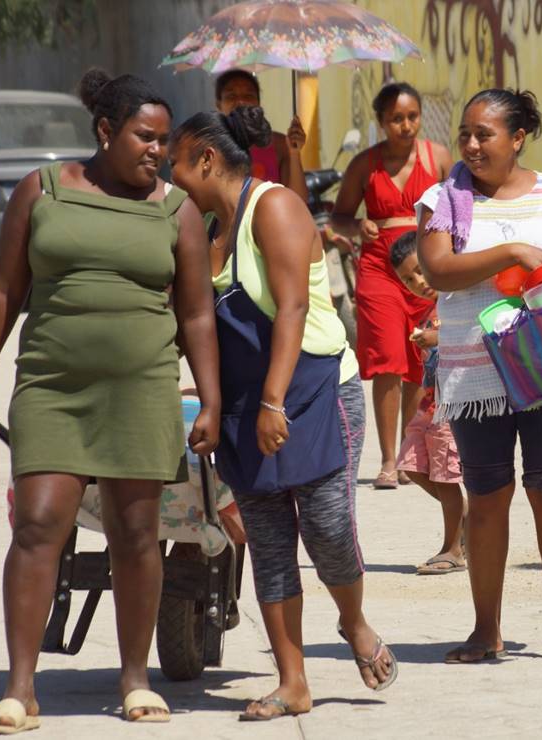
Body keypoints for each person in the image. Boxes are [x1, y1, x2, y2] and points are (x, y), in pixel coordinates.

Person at [0, 68, 221, 732]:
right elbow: (3, 288)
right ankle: (20, 688)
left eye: (163, 141)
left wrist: (212, 402)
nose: (156, 152)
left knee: (137, 534)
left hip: (140, 390)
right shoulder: (41, 192)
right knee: (38, 524)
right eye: (144, 137)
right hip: (52, 385)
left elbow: (196, 315)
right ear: (106, 132)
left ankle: (135, 679)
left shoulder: (177, 211)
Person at [169, 106, 396, 721]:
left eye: (176, 165)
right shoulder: (203, 233)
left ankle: (352, 622)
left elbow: (292, 308)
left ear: (207, 159)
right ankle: (292, 680)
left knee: (326, 530)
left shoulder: (272, 207)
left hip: (315, 392)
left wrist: (273, 401)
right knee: (268, 544)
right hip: (246, 409)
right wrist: (215, 407)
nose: (170, 179)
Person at [417, 89, 542, 665]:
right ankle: (486, 631)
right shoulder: (443, 198)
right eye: (467, 134)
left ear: (518, 137)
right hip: (475, 377)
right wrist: (510, 252)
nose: (473, 145)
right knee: (486, 498)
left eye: (486, 134)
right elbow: (439, 269)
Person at [332, 81, 454, 489]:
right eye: (396, 119)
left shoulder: (437, 158)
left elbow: (460, 208)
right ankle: (387, 460)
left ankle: (408, 454)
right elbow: (339, 216)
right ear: (381, 122)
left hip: (427, 270)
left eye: (412, 117)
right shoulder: (365, 164)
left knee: (420, 361)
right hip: (380, 269)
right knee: (387, 360)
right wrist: (357, 224)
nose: (406, 125)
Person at [388, 231, 467, 575]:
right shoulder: (432, 309)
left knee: (446, 478)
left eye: (420, 270)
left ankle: (453, 549)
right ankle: (467, 518)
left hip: (451, 405)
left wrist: (438, 338)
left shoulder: (460, 297)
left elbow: (475, 334)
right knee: (411, 466)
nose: (418, 282)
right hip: (430, 405)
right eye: (408, 279)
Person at [214, 69, 309, 202]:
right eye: (231, 96)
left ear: (258, 102)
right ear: (219, 105)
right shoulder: (210, 146)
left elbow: (298, 201)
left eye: (248, 96)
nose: (241, 101)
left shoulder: (280, 144)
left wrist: (294, 153)